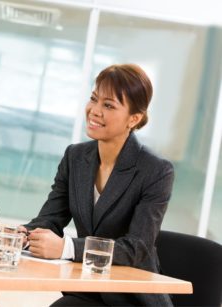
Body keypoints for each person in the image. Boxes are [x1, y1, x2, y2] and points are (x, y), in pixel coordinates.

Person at [21, 64, 174, 306]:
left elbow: (135, 248)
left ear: (133, 119)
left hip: (131, 298)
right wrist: (22, 235)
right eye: (94, 99)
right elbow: (50, 219)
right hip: (87, 290)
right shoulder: (75, 157)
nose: (94, 110)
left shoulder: (156, 171)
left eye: (109, 105)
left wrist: (66, 247)